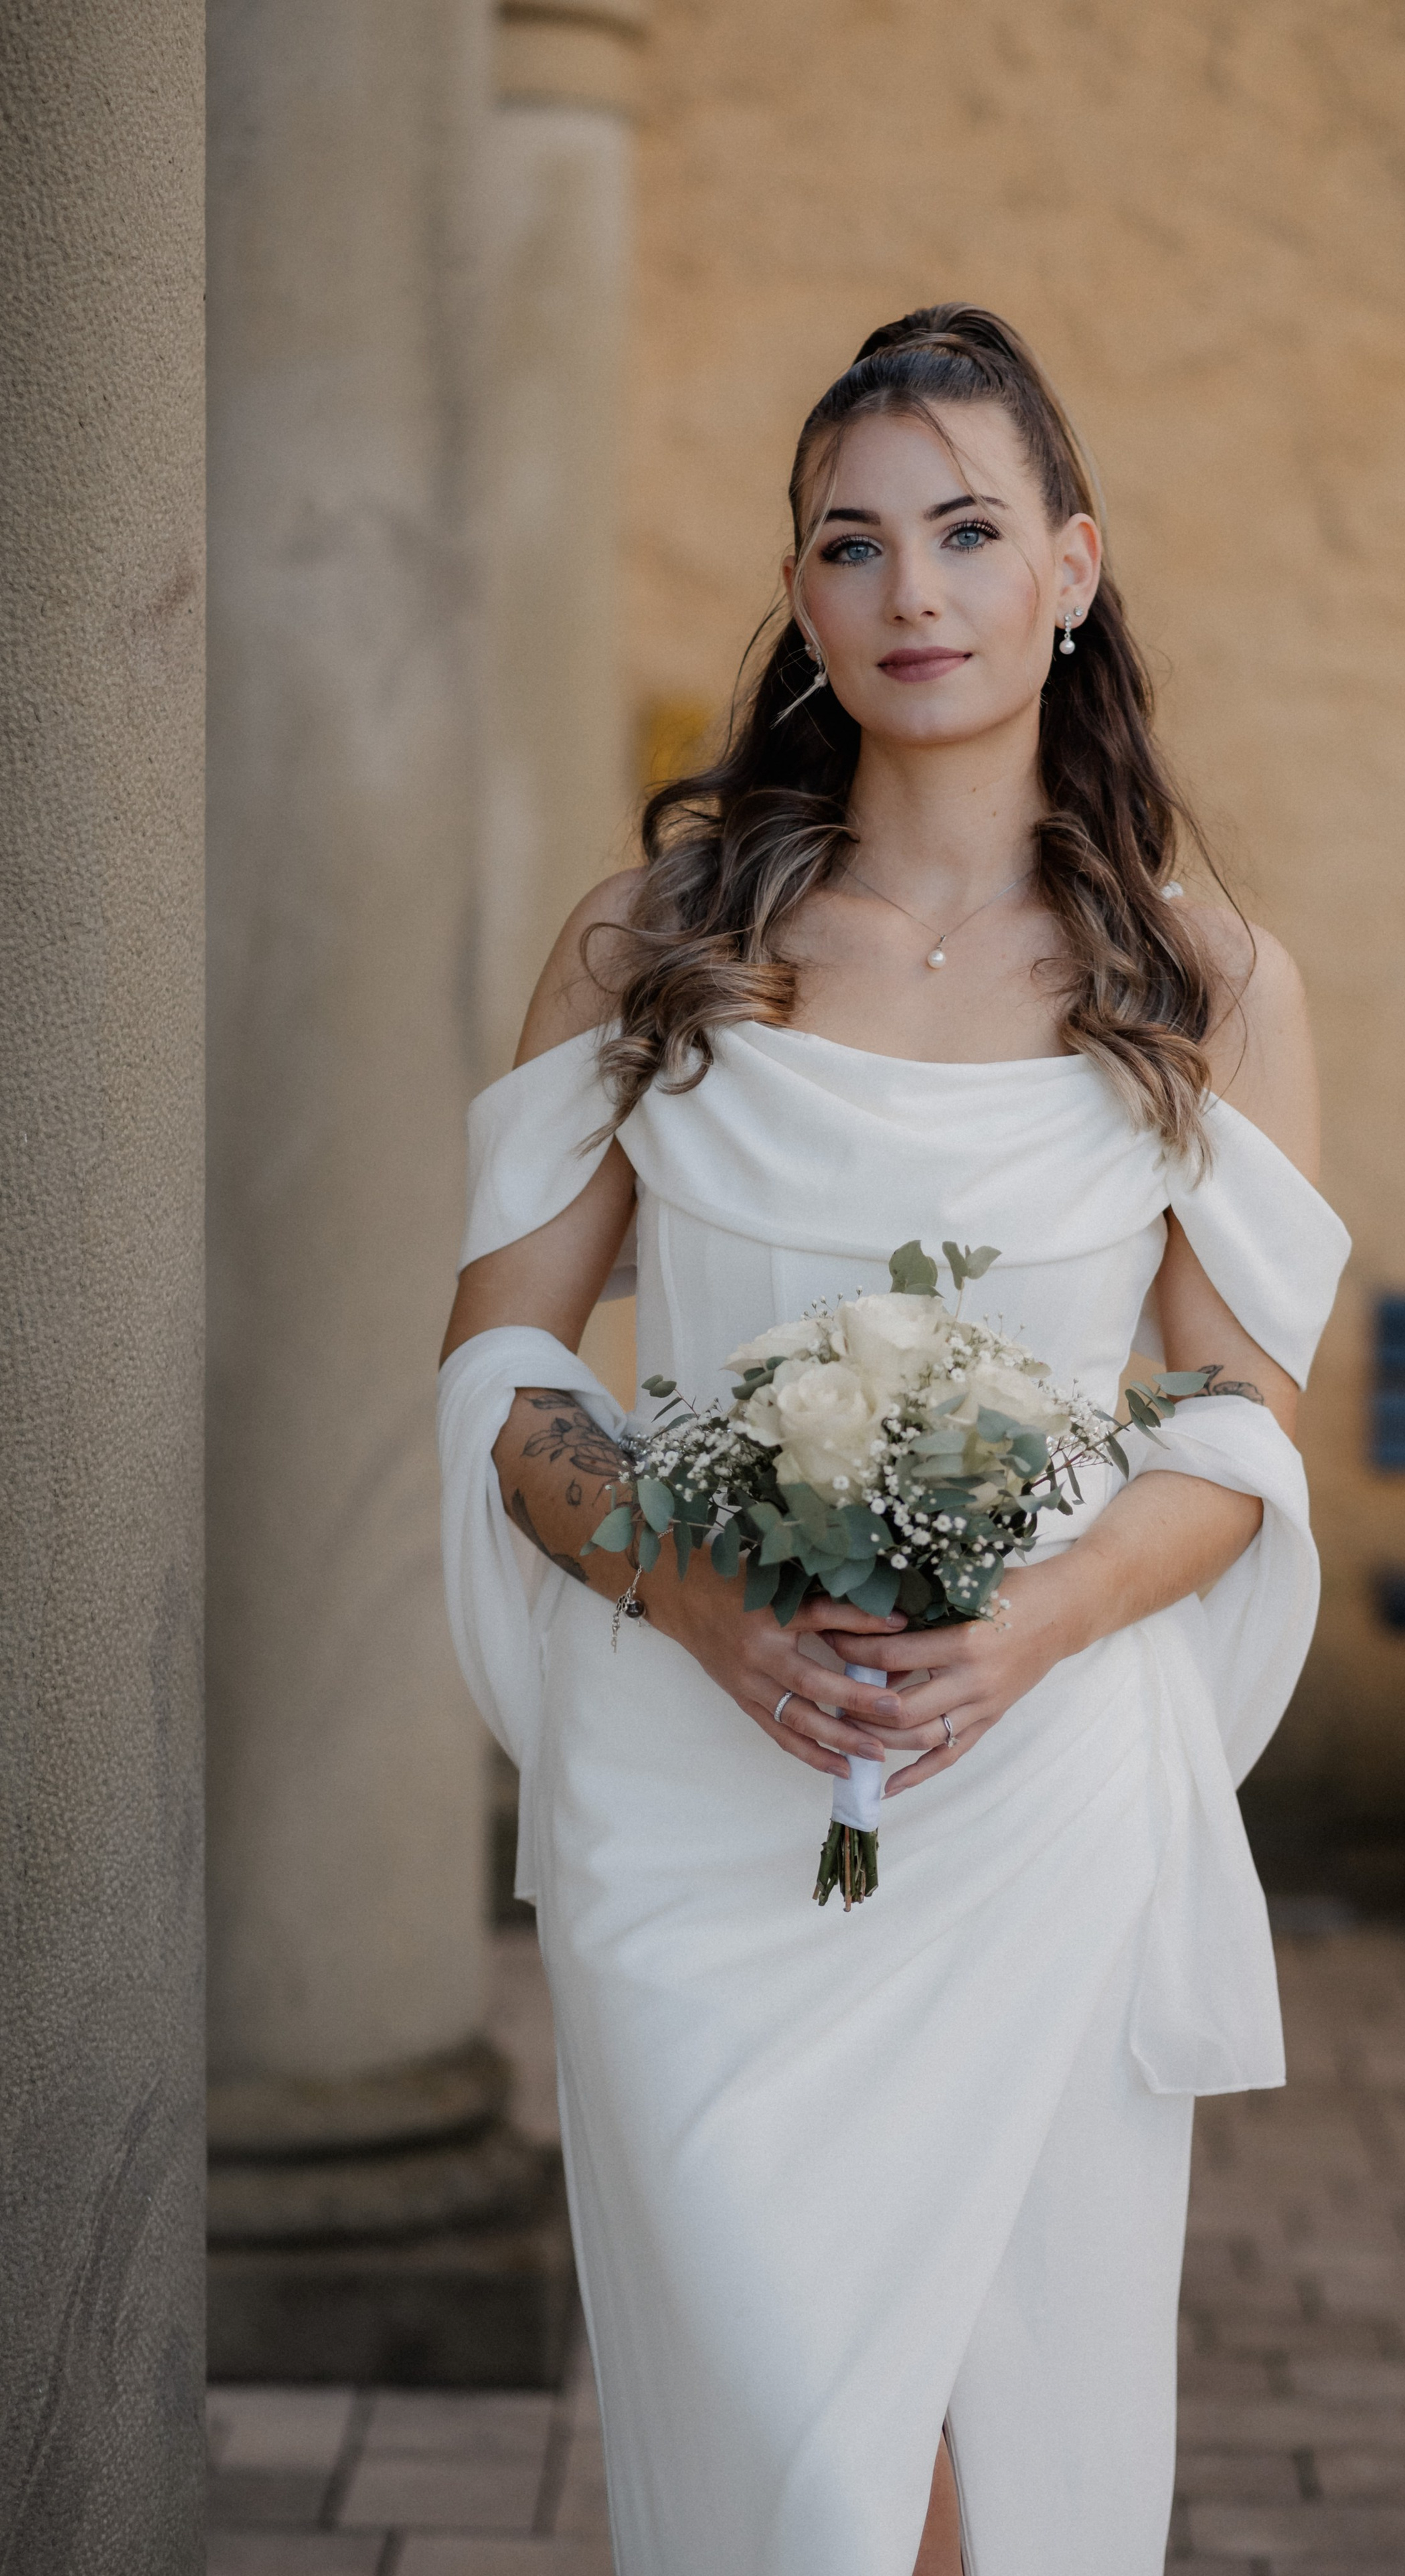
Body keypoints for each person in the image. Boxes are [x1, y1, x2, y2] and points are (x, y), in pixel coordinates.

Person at [439, 305, 1349, 2576]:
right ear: (802, 595)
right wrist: (697, 1599)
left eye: (965, 532)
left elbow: (1237, 1437)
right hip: (693, 1792)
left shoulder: (1210, 988)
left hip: (1031, 1800)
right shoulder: (650, 950)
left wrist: (1029, 1628)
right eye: (852, 546)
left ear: (1072, 567)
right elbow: (503, 1375)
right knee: (781, 2435)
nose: (912, 592)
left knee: (995, 2435)